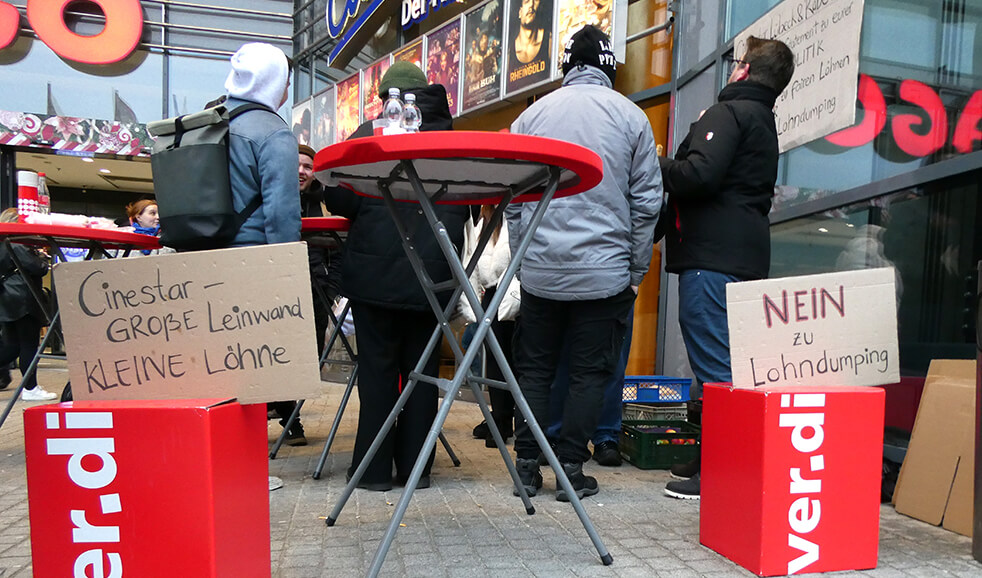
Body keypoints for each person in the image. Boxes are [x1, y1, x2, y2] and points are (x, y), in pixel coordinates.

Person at [506, 25, 663, 501]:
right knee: (588, 374)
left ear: (566, 67)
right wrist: (634, 271)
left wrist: (523, 259)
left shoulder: (530, 117)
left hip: (541, 273)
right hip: (605, 273)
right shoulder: (633, 118)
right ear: (609, 67)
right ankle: (570, 469)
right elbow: (647, 204)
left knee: (534, 370)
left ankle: (528, 466)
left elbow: (513, 201)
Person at [659, 36, 794, 499]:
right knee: (728, 365)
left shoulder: (728, 113)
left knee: (718, 371)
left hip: (712, 259)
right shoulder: (763, 121)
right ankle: (711, 457)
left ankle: (720, 472)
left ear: (743, 70)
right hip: (747, 257)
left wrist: (656, 164)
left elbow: (698, 175)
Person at [323, 61, 469, 491]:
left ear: (387, 96)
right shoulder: (453, 138)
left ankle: (370, 473)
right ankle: (416, 470)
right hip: (433, 276)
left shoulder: (373, 131)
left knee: (377, 372)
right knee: (421, 375)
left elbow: (337, 195)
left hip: (376, 273)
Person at [223, 42, 305, 445]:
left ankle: (216, 452)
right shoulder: (273, 133)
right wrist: (286, 272)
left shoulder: (208, 121)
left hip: (198, 259)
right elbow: (282, 213)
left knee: (214, 365)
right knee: (250, 366)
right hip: (250, 262)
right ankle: (244, 456)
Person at [459, 204, 520, 448]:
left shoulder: (511, 211)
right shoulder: (483, 217)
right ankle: (501, 420)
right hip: (493, 294)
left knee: (518, 360)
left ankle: (518, 421)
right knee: (496, 359)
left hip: (518, 290)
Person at [0, 208, 58, 401]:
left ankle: (30, 387)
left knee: (12, 346)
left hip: (7, 298)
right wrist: (42, 257)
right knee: (28, 345)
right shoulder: (17, 243)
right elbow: (38, 268)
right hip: (24, 297)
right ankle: (30, 388)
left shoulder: (3, 243)